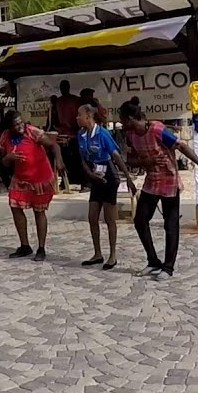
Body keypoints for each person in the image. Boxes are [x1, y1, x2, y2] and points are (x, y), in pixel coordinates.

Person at [119, 101, 198, 282]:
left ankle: (168, 267)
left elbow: (182, 147)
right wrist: (144, 163)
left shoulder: (157, 130)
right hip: (151, 182)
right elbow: (131, 161)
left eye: (122, 120)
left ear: (130, 118)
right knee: (140, 220)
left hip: (169, 182)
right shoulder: (131, 135)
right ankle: (153, 262)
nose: (121, 124)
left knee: (170, 225)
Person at [0, 110, 63, 261]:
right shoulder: (5, 137)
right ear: (9, 127)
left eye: (21, 122)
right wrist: (9, 157)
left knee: (38, 211)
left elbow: (54, 146)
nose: (20, 126)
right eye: (16, 124)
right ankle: (25, 246)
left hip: (39, 177)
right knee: (15, 207)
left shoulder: (32, 132)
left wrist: (59, 161)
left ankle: (41, 248)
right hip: (20, 178)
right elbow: (3, 161)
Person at [77, 104, 134, 270]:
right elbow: (83, 158)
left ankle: (113, 255)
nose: (77, 118)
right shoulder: (81, 134)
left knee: (109, 219)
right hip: (95, 175)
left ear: (88, 116)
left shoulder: (102, 134)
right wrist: (89, 174)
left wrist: (128, 179)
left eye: (79, 115)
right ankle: (97, 253)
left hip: (108, 176)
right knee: (92, 216)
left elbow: (115, 156)